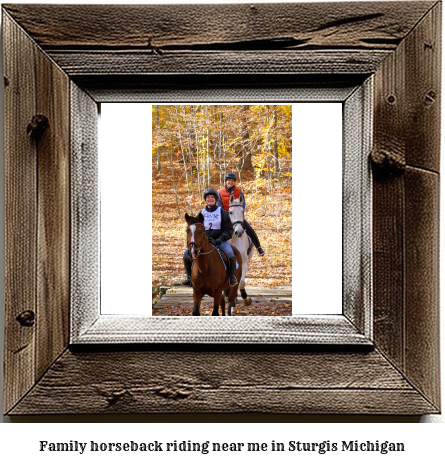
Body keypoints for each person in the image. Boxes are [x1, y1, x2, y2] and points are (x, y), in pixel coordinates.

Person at [182, 188, 239, 288]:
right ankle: (189, 278)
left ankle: (232, 277)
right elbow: (196, 229)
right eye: (208, 197)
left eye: (212, 197)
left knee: (230, 253)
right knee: (186, 254)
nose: (210, 199)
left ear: (216, 199)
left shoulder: (221, 212)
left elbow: (229, 229)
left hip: (220, 241)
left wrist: (221, 239)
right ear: (205, 200)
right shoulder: (202, 213)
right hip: (204, 242)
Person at [218, 172, 265, 256]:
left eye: (232, 181)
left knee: (250, 229)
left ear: (234, 182)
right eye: (229, 180)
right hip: (225, 218)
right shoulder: (220, 193)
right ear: (226, 181)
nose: (230, 182)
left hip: (237, 217)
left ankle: (259, 247)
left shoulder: (239, 192)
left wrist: (239, 213)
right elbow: (219, 205)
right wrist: (226, 216)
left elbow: (243, 204)